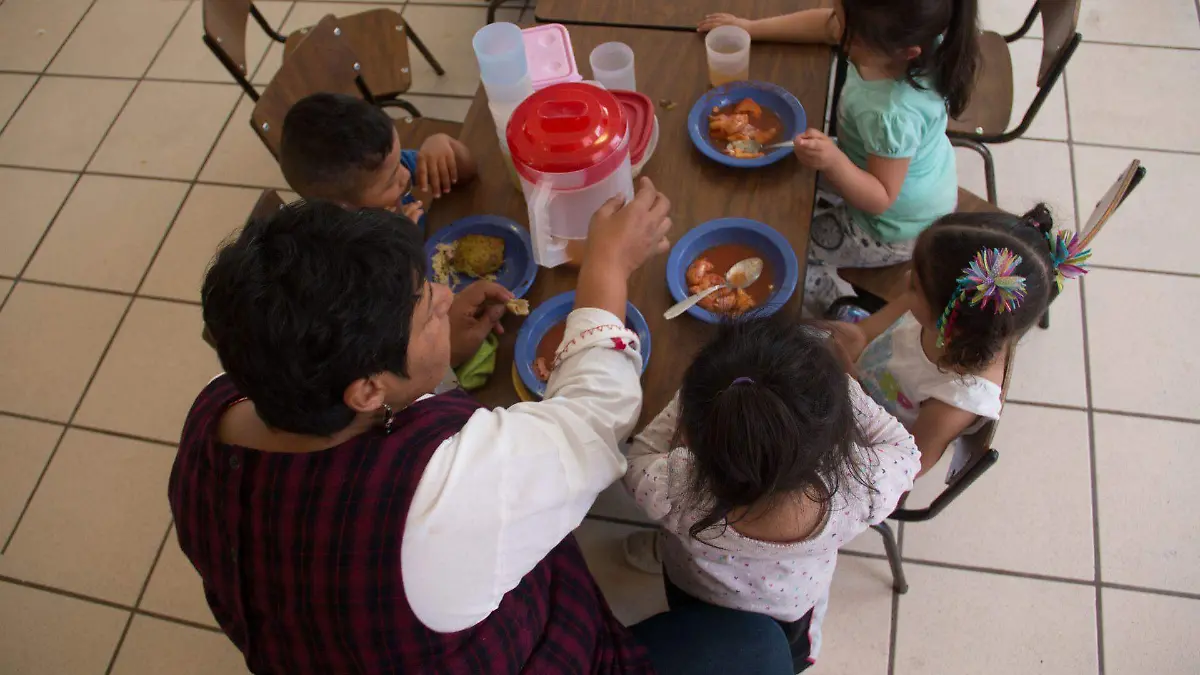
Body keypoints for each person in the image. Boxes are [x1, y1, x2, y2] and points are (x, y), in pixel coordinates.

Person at [171, 179, 797, 675]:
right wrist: (606, 267)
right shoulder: (439, 504)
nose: (446, 296)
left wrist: (427, 367)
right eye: (425, 312)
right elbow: (594, 419)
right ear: (367, 388)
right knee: (758, 648)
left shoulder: (221, 406)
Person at [622, 314, 920, 672]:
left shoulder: (675, 486)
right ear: (832, 427)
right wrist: (840, 389)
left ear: (688, 435)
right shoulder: (857, 489)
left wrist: (690, 395)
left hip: (692, 590)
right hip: (791, 609)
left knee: (692, 626)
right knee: (789, 653)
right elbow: (905, 450)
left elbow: (638, 458)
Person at [699, 0, 980, 312]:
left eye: (851, 37)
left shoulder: (892, 113)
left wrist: (833, 161)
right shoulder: (899, 38)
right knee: (780, 179)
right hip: (880, 165)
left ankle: (836, 315)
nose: (838, 32)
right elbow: (828, 25)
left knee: (793, 253)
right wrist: (750, 28)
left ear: (906, 52)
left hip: (890, 225)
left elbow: (881, 196)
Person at [829, 204, 1087, 475]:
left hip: (860, 441)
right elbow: (864, 332)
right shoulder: (938, 312)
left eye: (916, 285)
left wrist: (848, 380)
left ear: (953, 324)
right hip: (851, 383)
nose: (906, 280)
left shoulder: (955, 399)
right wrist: (828, 338)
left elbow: (903, 467)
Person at [279, 92, 478, 226]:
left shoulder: (385, 168)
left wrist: (443, 145)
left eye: (400, 160)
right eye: (391, 181)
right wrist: (402, 241)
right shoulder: (341, 253)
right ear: (343, 208)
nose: (406, 172)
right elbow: (401, 288)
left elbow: (467, 173)